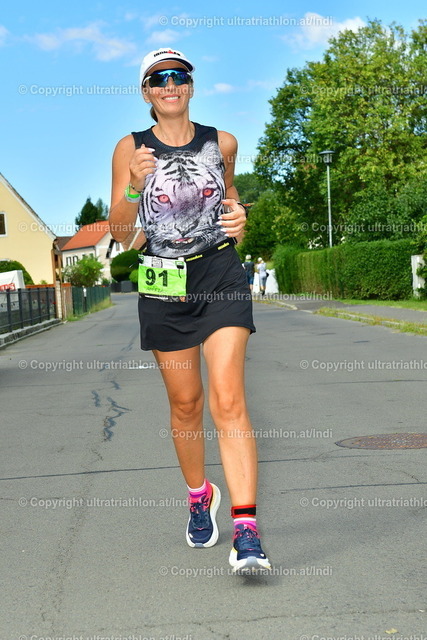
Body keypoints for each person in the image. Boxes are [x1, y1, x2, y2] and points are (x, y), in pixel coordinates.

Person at [109, 48, 270, 573]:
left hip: (219, 273)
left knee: (229, 397)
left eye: (178, 76)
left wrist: (239, 215)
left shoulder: (222, 143)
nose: (170, 85)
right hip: (163, 280)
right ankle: (200, 495)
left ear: (191, 86)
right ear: (146, 92)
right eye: (158, 79)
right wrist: (134, 185)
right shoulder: (130, 148)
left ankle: (246, 531)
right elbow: (121, 234)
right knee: (186, 403)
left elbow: (231, 196)